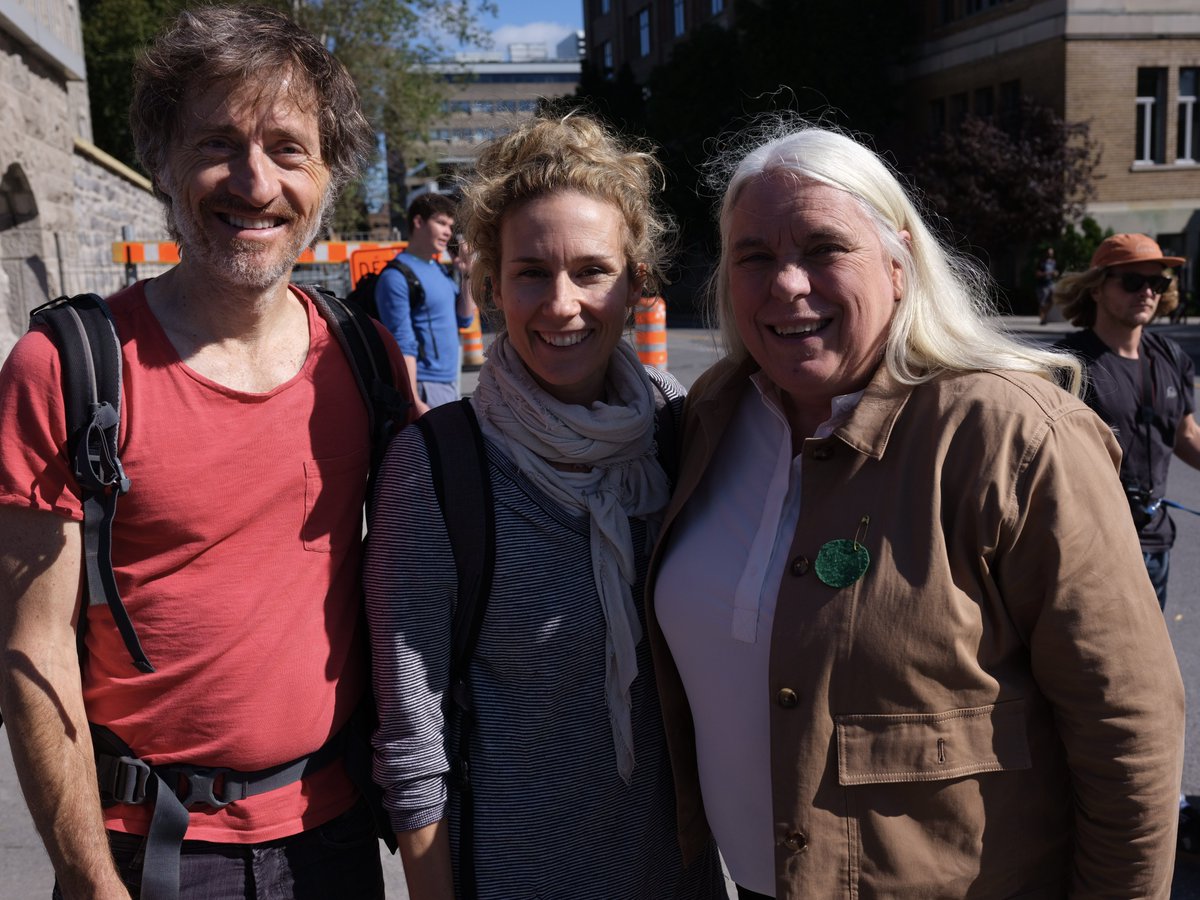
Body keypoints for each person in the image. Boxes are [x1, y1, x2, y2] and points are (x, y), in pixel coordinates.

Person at [647, 123, 1184, 899]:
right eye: (754, 257)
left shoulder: (1014, 436)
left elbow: (1128, 730)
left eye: (824, 248)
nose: (787, 284)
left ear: (899, 263)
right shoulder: (710, 419)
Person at [0, 7, 412, 899]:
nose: (254, 181)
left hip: (334, 842)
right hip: (150, 856)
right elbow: (33, 653)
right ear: (162, 160)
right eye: (218, 143)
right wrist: (88, 878)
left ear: (329, 173)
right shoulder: (65, 372)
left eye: (289, 149)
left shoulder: (370, 364)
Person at [366, 111, 725, 899]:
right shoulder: (436, 469)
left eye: (592, 270)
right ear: (491, 285)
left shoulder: (675, 427)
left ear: (636, 281)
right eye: (531, 271)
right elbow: (411, 744)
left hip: (682, 879)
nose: (561, 304)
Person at [1052, 233, 1200, 857]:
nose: (1147, 293)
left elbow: (1187, 434)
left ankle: (1132, 798)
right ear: (1098, 289)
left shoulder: (1170, 359)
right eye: (1133, 281)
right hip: (1092, 553)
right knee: (1092, 682)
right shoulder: (1069, 365)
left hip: (1155, 544)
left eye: (1158, 283)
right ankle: (1078, 800)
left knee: (1140, 679)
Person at [375, 193, 477, 412]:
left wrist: (467, 275)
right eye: (441, 223)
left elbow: (465, 319)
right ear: (419, 222)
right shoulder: (396, 276)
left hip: (449, 379)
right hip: (425, 385)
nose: (448, 232)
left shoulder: (438, 269)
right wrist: (413, 398)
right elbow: (402, 342)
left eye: (450, 225)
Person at [1036, 246, 1058, 323]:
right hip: (1043, 284)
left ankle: (1045, 315)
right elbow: (1037, 274)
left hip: (1050, 283)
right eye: (1049, 253)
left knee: (1053, 299)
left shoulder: (1053, 262)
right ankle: (1042, 319)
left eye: (1051, 254)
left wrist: (1055, 273)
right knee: (1042, 303)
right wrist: (1048, 273)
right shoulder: (1041, 262)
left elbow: (1055, 272)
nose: (1050, 255)